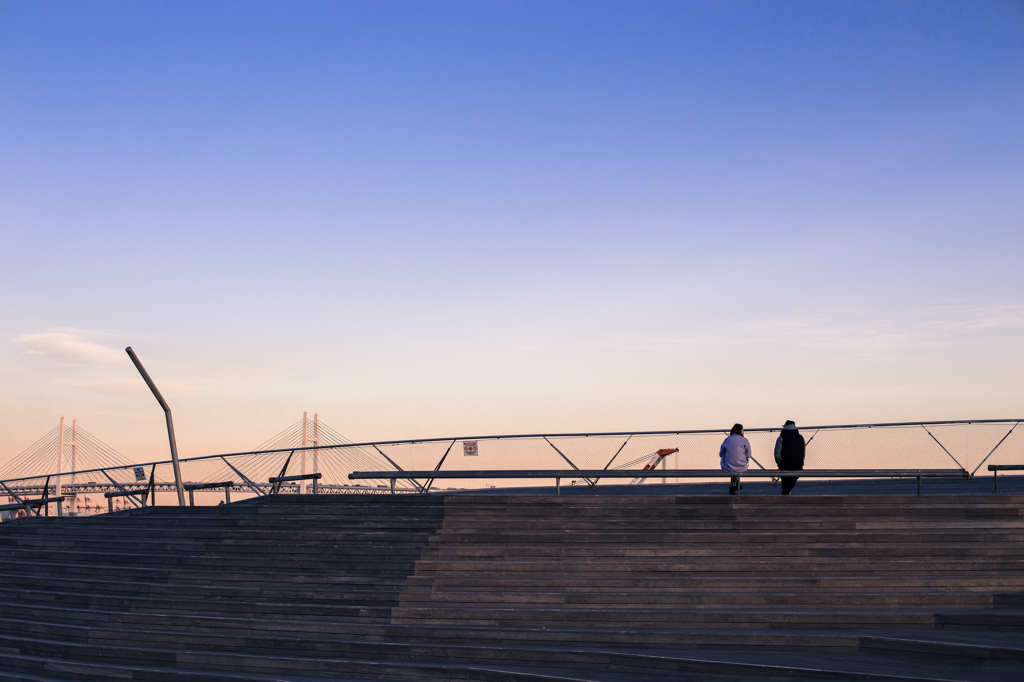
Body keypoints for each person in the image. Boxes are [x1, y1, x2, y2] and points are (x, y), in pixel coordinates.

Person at [774, 420, 806, 495]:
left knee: (785, 482)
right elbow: (803, 453)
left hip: (785, 466)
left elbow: (777, 453)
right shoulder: (801, 438)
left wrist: (779, 464)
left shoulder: (781, 437)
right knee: (790, 482)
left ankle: (784, 492)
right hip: (798, 466)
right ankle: (785, 491)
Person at [719, 423, 751, 495]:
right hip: (741, 466)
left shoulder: (727, 440)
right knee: (737, 464)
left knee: (730, 461)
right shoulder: (744, 440)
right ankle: (736, 485)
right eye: (742, 430)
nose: (743, 431)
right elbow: (748, 455)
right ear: (740, 430)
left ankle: (734, 485)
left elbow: (721, 454)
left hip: (728, 466)